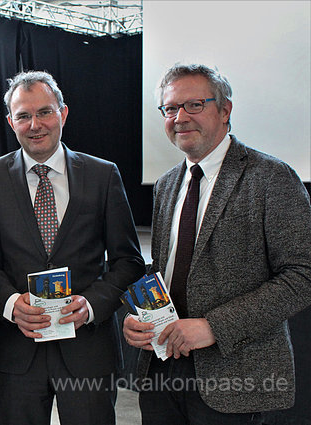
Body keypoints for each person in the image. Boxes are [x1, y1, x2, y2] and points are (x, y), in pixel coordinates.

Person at [124, 63, 311, 424]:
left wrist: (213, 327)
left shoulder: (271, 177)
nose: (180, 117)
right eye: (170, 108)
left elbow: (303, 275)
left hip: (234, 374)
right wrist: (139, 316)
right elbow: (166, 271)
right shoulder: (166, 184)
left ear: (224, 111)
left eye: (194, 105)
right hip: (162, 368)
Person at [0, 70, 145, 425]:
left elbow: (128, 261)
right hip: (17, 353)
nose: (35, 124)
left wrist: (92, 305)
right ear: (11, 121)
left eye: (45, 112)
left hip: (87, 350)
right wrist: (10, 304)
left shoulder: (103, 175)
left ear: (63, 114)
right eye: (23, 115)